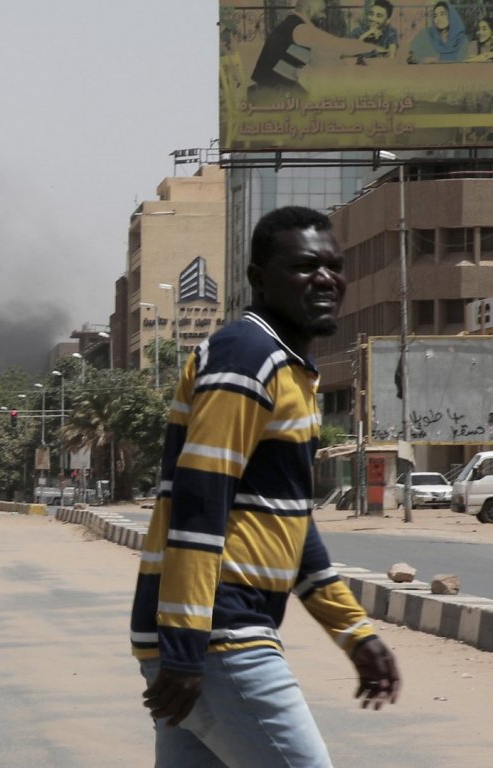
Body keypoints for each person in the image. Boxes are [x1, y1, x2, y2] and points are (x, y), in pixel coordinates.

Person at [132, 206, 401, 767]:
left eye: (333, 266)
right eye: (305, 267)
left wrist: (355, 633)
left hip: (208, 637)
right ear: (258, 278)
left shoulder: (288, 369)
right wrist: (187, 647)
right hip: (219, 635)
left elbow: (292, 526)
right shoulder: (247, 356)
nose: (325, 279)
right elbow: (200, 503)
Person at [250, 0, 386, 95]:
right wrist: (371, 47)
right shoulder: (300, 28)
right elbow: (337, 44)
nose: (324, 16)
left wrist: (350, 62)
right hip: (271, 93)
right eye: (321, 12)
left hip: (272, 88)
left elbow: (317, 62)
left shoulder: (292, 26)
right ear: (309, 10)